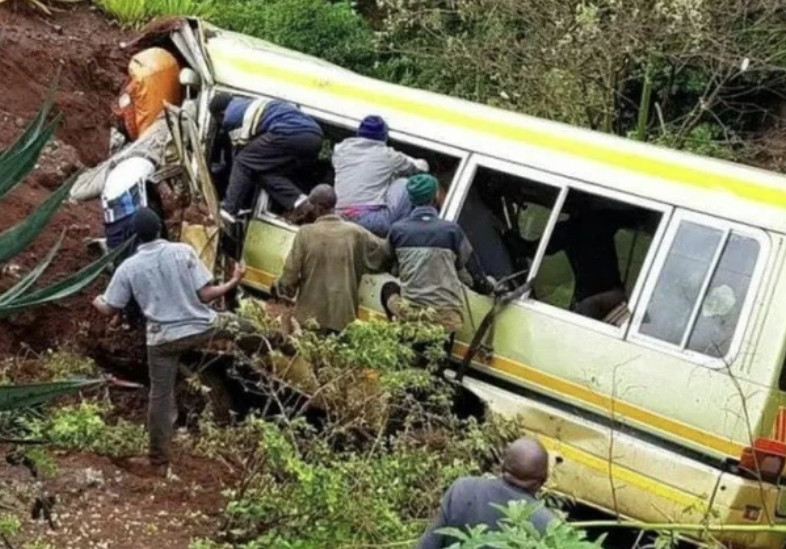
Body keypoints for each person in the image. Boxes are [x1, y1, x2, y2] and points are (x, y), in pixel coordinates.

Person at [92, 208, 259, 474]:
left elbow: (110, 309)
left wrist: (97, 301)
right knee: (250, 329)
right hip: (202, 326)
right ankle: (272, 351)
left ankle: (158, 461)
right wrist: (234, 281)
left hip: (162, 340)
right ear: (160, 228)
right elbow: (206, 295)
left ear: (135, 236)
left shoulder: (128, 267)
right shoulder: (183, 252)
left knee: (160, 396)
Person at [274, 184, 391, 332]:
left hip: (310, 318)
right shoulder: (355, 232)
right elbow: (384, 251)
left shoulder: (305, 233)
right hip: (343, 319)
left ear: (318, 208)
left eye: (310, 205)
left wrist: (283, 288)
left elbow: (290, 274)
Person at [385, 174, 493, 332]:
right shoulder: (452, 231)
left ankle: (396, 332)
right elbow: (475, 274)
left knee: (388, 288)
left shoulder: (397, 230)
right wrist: (488, 288)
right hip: (447, 321)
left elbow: (385, 262)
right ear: (435, 196)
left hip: (413, 318)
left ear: (410, 198)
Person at [416, 437, 558, 549]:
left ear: (502, 466)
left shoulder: (463, 489)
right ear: (543, 480)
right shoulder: (548, 525)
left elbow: (427, 545)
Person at [209, 93, 324, 223]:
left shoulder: (231, 116)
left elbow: (239, 158)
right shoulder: (247, 104)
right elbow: (254, 162)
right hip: (315, 137)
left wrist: (230, 199)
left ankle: (229, 210)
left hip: (291, 134)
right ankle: (298, 201)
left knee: (243, 161)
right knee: (262, 171)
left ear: (221, 113)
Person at [333, 115, 429, 237]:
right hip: (370, 221)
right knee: (405, 183)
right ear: (384, 137)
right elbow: (419, 169)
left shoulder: (341, 150)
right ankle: (401, 235)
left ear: (358, 133)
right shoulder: (388, 155)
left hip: (338, 217)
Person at [101, 156, 156, 263]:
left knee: (121, 252)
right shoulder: (143, 165)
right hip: (128, 206)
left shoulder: (117, 173)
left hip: (113, 210)